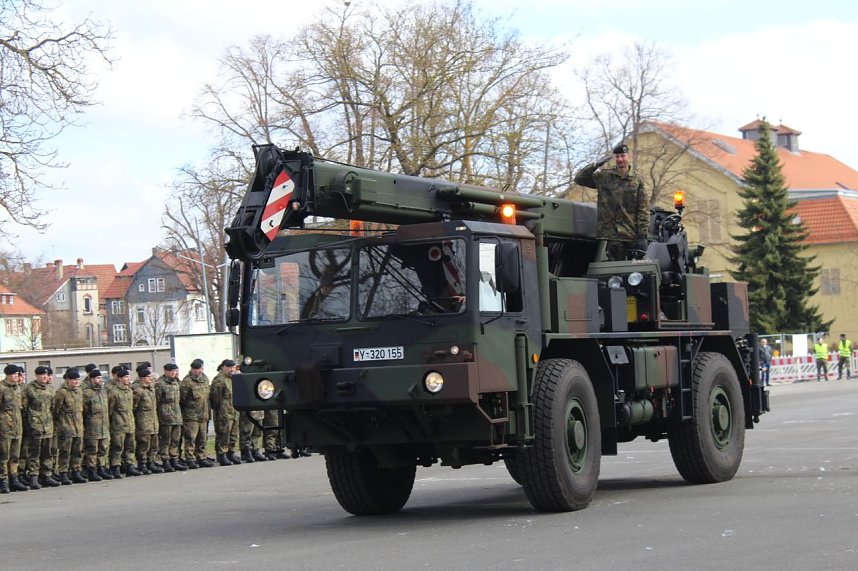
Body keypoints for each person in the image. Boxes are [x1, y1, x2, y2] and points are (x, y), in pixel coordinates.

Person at [574, 143, 649, 261]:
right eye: (617, 156)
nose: (620, 159)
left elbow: (643, 209)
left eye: (622, 156)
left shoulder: (637, 180)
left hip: (631, 234)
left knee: (635, 272)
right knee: (614, 271)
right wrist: (594, 165)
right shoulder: (604, 177)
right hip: (612, 236)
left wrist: (642, 235)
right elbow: (579, 179)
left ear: (628, 156)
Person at [23, 366, 60, 488]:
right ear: (36, 376)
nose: (44, 377)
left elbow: (53, 407)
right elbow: (24, 408)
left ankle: (47, 476)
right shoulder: (30, 389)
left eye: (45, 375)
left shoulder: (50, 388)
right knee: (34, 453)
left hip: (48, 424)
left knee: (47, 452)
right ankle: (34, 476)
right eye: (41, 375)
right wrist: (30, 422)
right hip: (35, 425)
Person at [179, 359, 214, 468]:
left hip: (203, 415)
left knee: (203, 438)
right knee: (191, 438)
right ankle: (190, 459)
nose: (200, 371)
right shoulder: (187, 382)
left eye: (201, 369)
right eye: (198, 369)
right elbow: (182, 399)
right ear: (192, 369)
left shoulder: (205, 379)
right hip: (191, 416)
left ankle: (201, 457)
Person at [53, 368, 86, 485]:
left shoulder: (79, 391)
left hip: (78, 427)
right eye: (73, 379)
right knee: (65, 452)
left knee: (77, 451)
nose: (76, 381)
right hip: (66, 427)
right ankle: (63, 473)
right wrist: (61, 424)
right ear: (68, 380)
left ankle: (76, 471)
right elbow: (56, 410)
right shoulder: (61, 392)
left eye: (78, 379)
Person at [108, 368, 141, 477]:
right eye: (126, 377)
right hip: (118, 425)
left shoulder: (129, 391)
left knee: (130, 447)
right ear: (120, 379)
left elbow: (133, 407)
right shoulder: (114, 392)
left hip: (130, 424)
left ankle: (129, 465)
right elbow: (110, 410)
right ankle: (116, 467)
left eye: (128, 377)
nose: (128, 379)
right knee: (117, 447)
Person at [1, 364, 28, 493]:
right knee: (4, 456)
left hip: (17, 427)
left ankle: (14, 479)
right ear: (7, 375)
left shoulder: (18, 389)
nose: (16, 377)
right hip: (4, 428)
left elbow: (21, 407)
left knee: (15, 456)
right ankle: (3, 480)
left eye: (18, 374)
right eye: (14, 374)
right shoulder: (1, 388)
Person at [82, 369, 112, 482]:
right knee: (92, 450)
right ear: (92, 379)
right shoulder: (87, 393)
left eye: (101, 378)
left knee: (103, 449)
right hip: (92, 427)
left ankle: (102, 469)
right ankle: (91, 470)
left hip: (104, 426)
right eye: (98, 378)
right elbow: (83, 411)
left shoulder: (103, 392)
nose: (100, 380)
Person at [209, 359, 242, 466]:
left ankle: (231, 453)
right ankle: (221, 454)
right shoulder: (219, 380)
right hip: (224, 413)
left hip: (235, 411)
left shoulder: (235, 378)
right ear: (223, 367)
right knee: (224, 434)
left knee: (234, 435)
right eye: (229, 367)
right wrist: (221, 410)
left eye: (233, 367)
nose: (231, 369)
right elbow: (215, 399)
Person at [156, 363, 185, 472]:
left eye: (175, 371)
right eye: (171, 371)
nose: (174, 373)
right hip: (166, 416)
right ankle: (166, 460)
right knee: (166, 440)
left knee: (175, 440)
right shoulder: (160, 384)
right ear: (166, 371)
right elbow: (157, 401)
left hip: (177, 415)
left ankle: (174, 459)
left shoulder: (176, 383)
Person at [133, 369, 162, 474]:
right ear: (142, 378)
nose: (150, 378)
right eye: (148, 376)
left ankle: (151, 462)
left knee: (154, 445)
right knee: (144, 445)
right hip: (144, 423)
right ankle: (142, 464)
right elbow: (134, 407)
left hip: (153, 422)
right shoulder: (138, 391)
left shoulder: (151, 389)